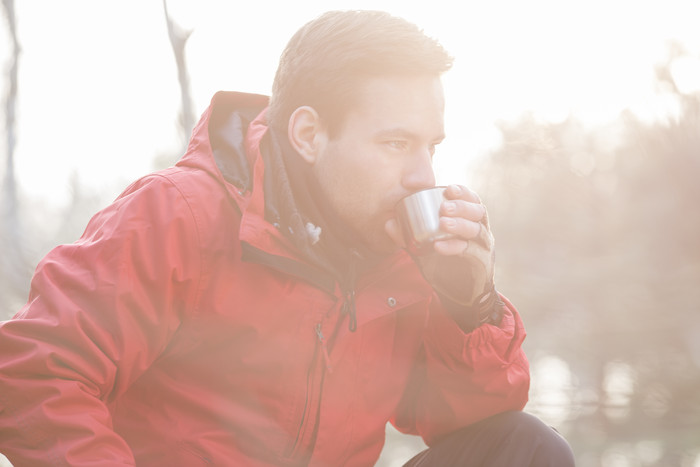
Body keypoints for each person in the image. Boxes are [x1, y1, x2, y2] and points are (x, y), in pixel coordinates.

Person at [0, 10, 575, 467]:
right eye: (396, 144)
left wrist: (469, 305)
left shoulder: (402, 251)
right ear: (307, 133)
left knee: (526, 449)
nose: (423, 175)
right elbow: (34, 373)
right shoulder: (179, 215)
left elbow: (467, 423)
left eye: (432, 146)